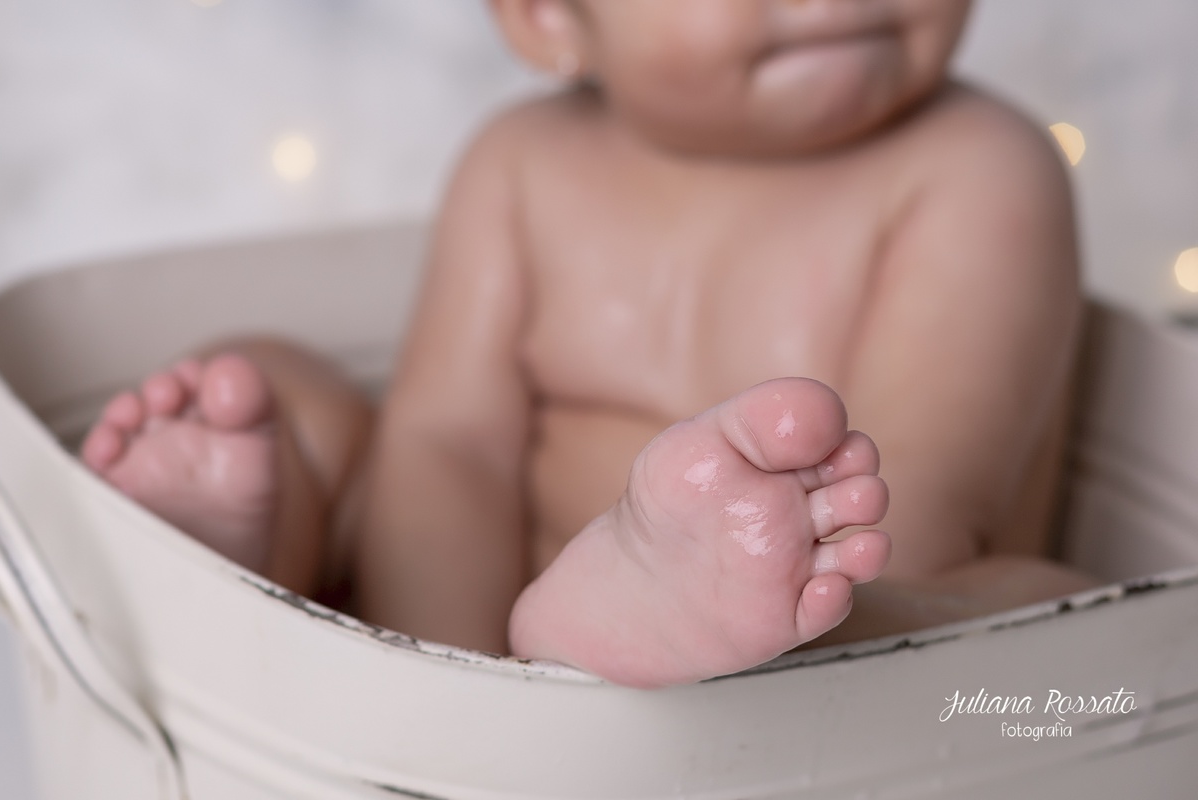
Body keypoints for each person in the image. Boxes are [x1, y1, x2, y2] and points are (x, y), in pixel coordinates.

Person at [80, 0, 1095, 689]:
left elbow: (915, 508)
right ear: (550, 14)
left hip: (803, 637)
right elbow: (448, 450)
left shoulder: (981, 171)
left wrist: (767, 592)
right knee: (282, 386)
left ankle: (696, 627)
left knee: (1055, 624)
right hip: (490, 613)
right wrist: (463, 680)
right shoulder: (519, 164)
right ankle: (240, 541)